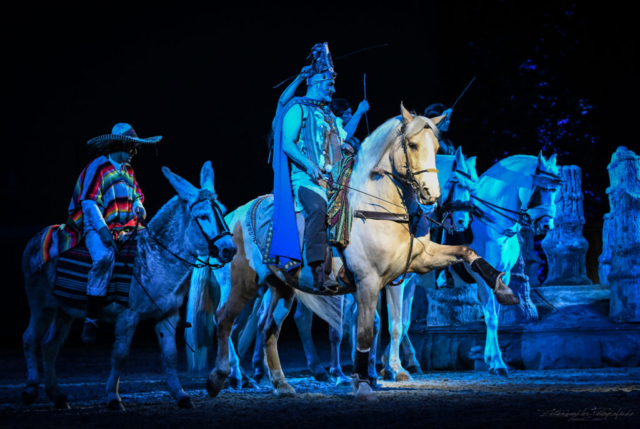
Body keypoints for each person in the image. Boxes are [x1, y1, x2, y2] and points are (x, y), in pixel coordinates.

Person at [72, 123, 160, 343]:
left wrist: (139, 208)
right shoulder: (98, 167)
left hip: (128, 227)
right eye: (132, 147)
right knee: (103, 258)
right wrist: (102, 230)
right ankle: (91, 319)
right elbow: (89, 203)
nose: (135, 151)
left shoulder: (128, 170)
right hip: (97, 227)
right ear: (120, 145)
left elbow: (137, 196)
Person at [269, 43, 346, 293]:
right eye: (329, 83)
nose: (333, 89)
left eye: (333, 84)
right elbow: (288, 145)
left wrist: (347, 151)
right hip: (306, 179)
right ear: (315, 82)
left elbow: (336, 147)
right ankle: (318, 270)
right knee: (318, 209)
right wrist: (310, 166)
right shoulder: (297, 108)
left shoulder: (329, 116)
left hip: (332, 180)